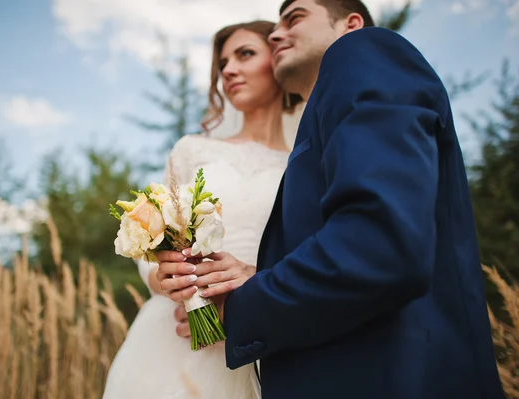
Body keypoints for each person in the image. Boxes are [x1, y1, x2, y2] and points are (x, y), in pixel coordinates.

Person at [156, 0, 506, 398]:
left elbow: (378, 245)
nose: (275, 33)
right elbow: (347, 240)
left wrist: (241, 307)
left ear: (351, 24)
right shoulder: (319, 124)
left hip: (397, 375)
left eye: (296, 17)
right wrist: (256, 277)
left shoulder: (363, 51)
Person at [102, 20, 304, 399]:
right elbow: (152, 237)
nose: (228, 70)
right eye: (223, 62)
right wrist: (164, 280)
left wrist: (257, 293)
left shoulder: (306, 161)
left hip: (269, 333)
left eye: (245, 54)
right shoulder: (192, 151)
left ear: (278, 59)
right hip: (178, 332)